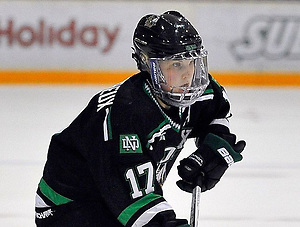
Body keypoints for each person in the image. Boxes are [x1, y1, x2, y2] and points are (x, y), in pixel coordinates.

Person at [35, 11, 246, 227]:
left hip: (119, 199)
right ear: (149, 66)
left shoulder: (199, 92)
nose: (187, 75)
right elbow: (136, 205)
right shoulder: (125, 115)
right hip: (69, 208)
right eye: (175, 65)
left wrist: (213, 146)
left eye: (191, 62)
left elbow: (218, 110)